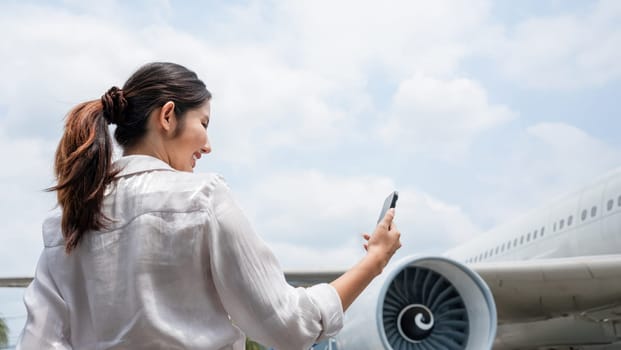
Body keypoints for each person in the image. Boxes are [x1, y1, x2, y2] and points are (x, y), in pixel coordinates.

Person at [17, 62, 401, 350]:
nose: (208, 144)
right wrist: (374, 262)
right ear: (168, 116)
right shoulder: (202, 197)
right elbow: (288, 325)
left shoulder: (65, 222)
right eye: (204, 122)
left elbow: (39, 341)